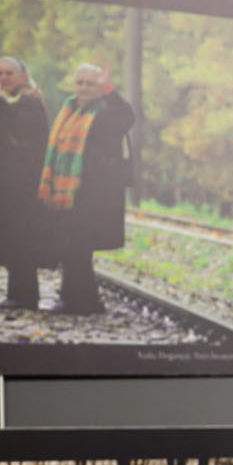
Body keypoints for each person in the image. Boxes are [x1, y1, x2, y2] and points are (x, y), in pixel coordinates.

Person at [35, 62, 137, 314]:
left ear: (100, 87)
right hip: (67, 191)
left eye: (89, 83)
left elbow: (127, 117)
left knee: (77, 247)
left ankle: (81, 301)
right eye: (79, 82)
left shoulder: (105, 111)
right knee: (71, 247)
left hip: (93, 193)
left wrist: (108, 90)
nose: (83, 88)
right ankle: (80, 299)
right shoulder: (70, 108)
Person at [0, 56, 49, 309]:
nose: (4, 78)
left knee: (21, 238)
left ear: (23, 76)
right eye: (0, 73)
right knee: (9, 237)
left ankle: (25, 296)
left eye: (9, 73)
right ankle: (17, 294)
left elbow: (20, 126)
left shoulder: (30, 101)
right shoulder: (18, 102)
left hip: (21, 186)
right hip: (5, 184)